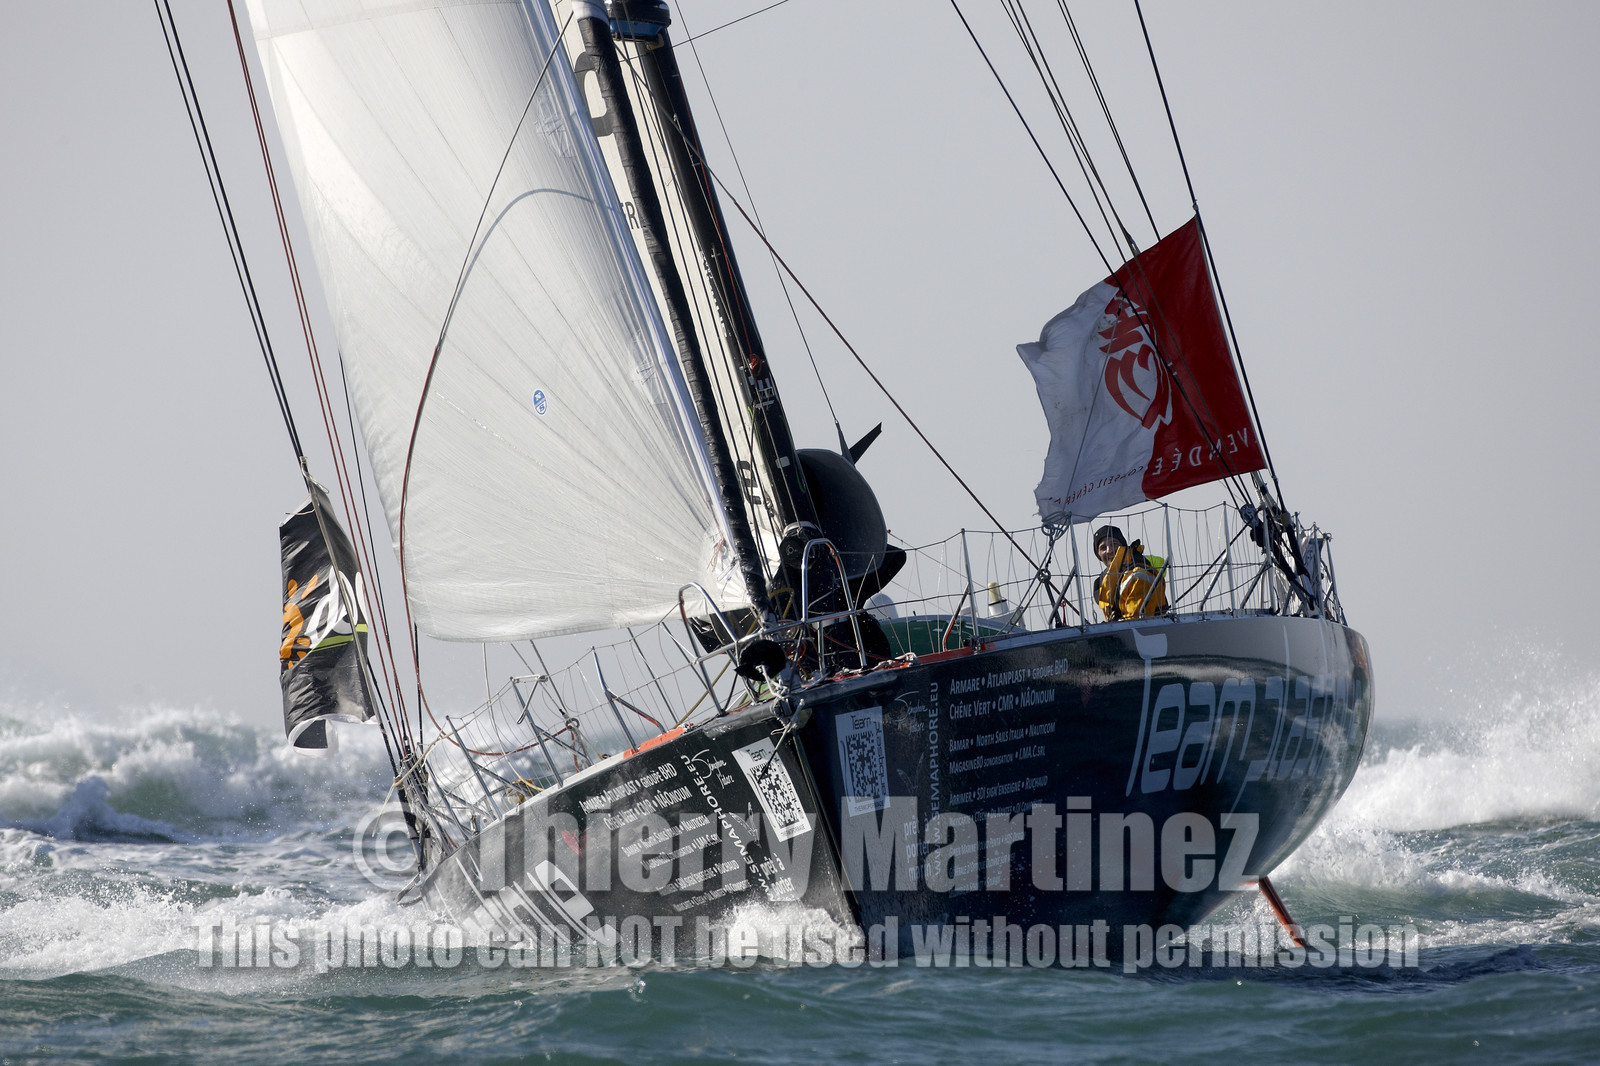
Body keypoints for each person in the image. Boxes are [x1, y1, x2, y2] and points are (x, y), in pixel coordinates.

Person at [1093, 525, 1169, 621]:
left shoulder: (1138, 574)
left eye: (1114, 544)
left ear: (1123, 547)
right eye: (1103, 548)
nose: (1109, 550)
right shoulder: (1105, 580)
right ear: (1098, 554)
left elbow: (1135, 620)